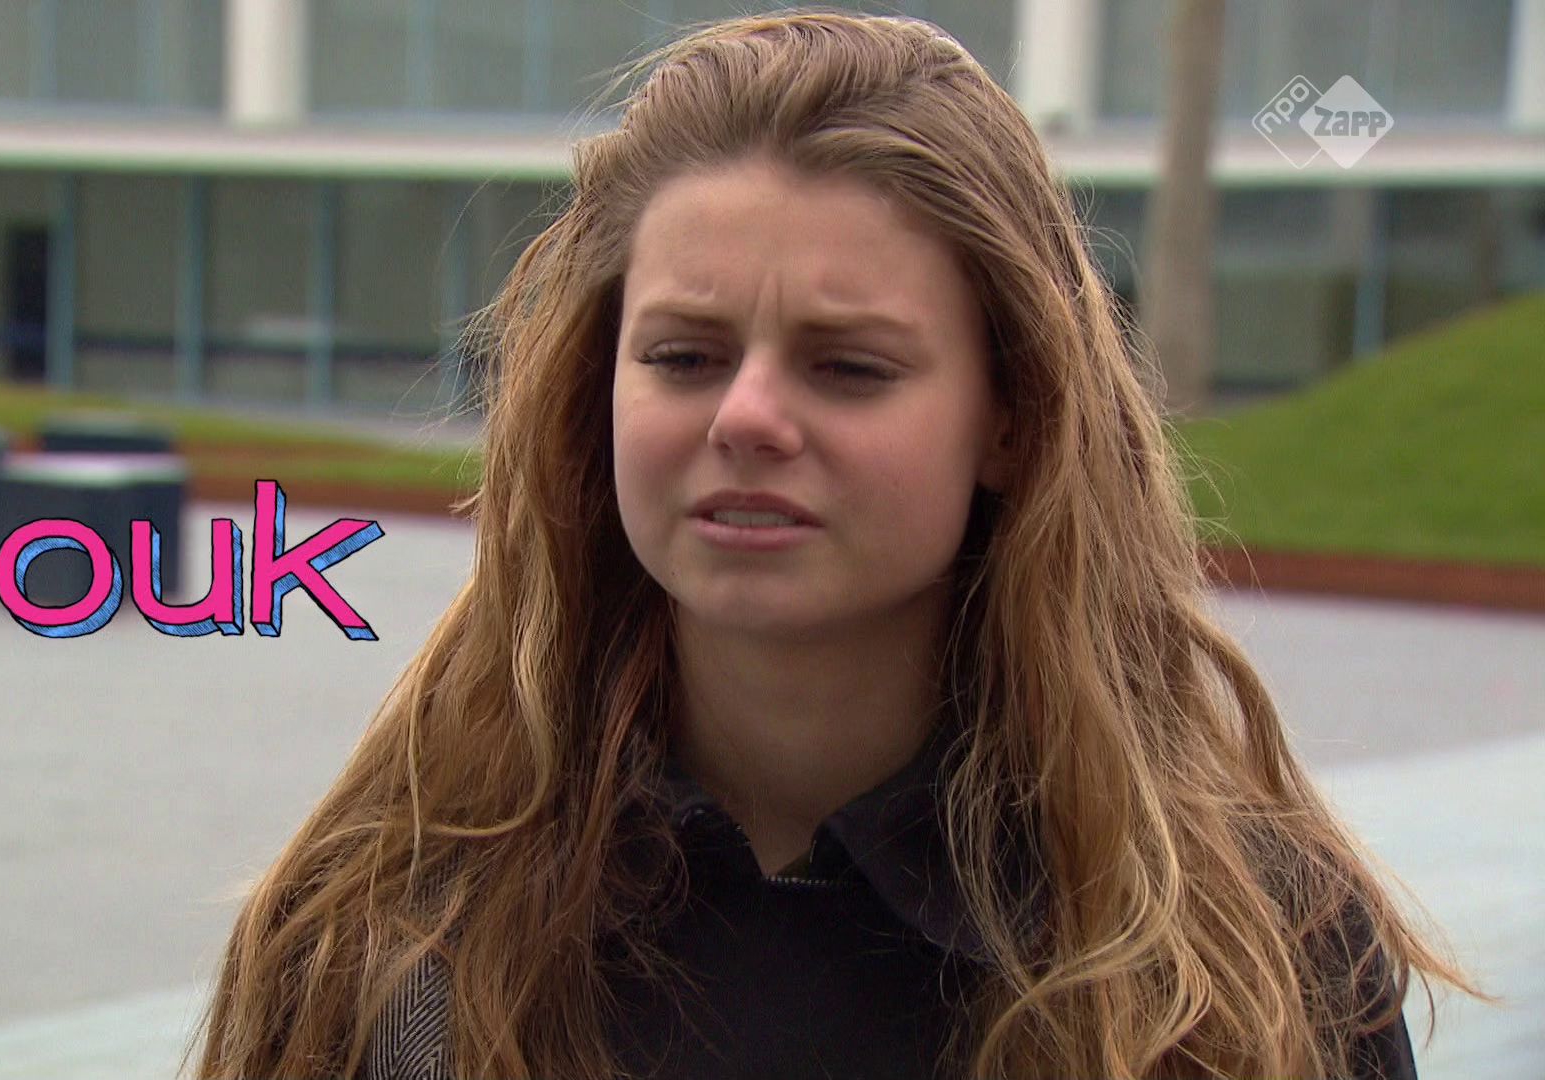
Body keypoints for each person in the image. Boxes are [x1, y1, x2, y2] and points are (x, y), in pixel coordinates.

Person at [192, 11, 1475, 1079]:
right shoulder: (397, 940)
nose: (746, 417)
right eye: (684, 355)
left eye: (849, 366)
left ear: (1011, 419)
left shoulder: (1242, 961)